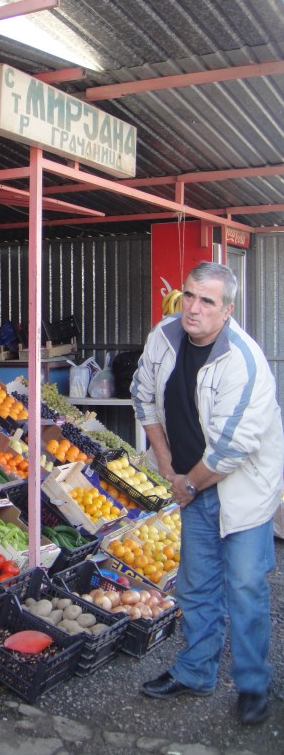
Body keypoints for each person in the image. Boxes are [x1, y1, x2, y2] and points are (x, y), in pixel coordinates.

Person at [130, 261, 283, 725]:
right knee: (196, 587)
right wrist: (165, 463)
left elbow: (232, 448)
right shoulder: (164, 337)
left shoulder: (244, 361)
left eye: (207, 301)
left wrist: (187, 483)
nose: (193, 308)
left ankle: (254, 685)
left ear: (227, 310)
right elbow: (144, 396)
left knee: (245, 586)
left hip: (241, 489)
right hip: (190, 482)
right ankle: (196, 671)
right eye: (189, 295)